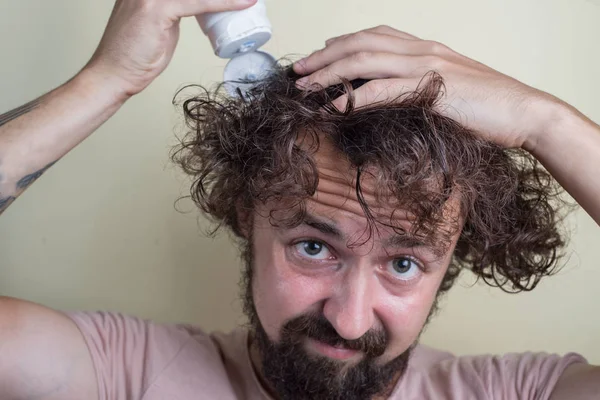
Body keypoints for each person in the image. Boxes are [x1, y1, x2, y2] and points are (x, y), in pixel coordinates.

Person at [0, 0, 599, 399]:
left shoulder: (520, 392)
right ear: (245, 212)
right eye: (313, 247)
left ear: (452, 258)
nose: (349, 317)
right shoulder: (123, 373)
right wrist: (107, 80)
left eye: (403, 263)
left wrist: (545, 122)